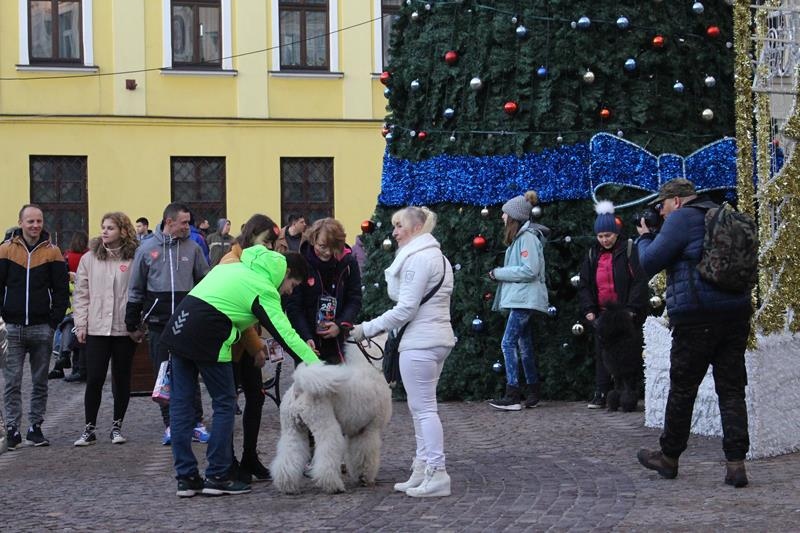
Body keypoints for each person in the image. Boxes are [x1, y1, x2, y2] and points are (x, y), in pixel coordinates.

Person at [159, 246, 322, 498]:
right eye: (293, 284)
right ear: (286, 272)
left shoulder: (236, 266)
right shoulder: (263, 288)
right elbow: (286, 335)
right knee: (225, 403)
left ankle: (186, 478)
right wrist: (317, 366)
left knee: (181, 405)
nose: (290, 291)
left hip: (178, 326)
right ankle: (218, 475)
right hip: (209, 332)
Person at [635, 178, 753, 488]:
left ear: (676, 200)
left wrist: (645, 238)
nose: (661, 212)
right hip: (736, 314)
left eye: (663, 205)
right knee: (731, 390)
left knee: (683, 388)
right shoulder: (723, 214)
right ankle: (736, 465)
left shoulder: (681, 219)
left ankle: (669, 458)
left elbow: (648, 262)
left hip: (696, 318)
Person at [351, 206, 455, 498]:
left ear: (417, 228)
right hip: (436, 339)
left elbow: (406, 309)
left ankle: (437, 472)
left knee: (424, 410)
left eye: (399, 226)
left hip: (421, 342)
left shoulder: (418, 259)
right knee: (420, 408)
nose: (394, 232)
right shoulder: (438, 257)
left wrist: (366, 328)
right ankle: (422, 469)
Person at [125, 202, 210, 445]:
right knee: (163, 374)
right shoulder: (146, 249)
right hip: (158, 323)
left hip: (187, 323)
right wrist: (132, 322)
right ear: (169, 222)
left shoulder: (193, 247)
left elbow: (205, 282)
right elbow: (135, 288)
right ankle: (171, 424)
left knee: (190, 373)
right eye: (184, 222)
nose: (188, 227)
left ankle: (195, 423)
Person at [0, 204, 70, 449]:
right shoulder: (6, 250)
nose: (35, 225)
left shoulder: (53, 252)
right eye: (30, 221)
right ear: (21, 222)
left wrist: (53, 321)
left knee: (40, 381)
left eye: (39, 221)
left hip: (42, 327)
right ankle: (12, 428)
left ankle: (35, 427)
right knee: (12, 382)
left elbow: (61, 290)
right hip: (12, 327)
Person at [220, 214, 282, 483]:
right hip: (230, 345)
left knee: (256, 398)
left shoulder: (254, 262)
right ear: (252, 236)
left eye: (271, 244)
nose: (268, 248)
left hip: (247, 344)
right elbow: (238, 312)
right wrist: (257, 347)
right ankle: (228, 461)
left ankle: (249, 456)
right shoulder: (231, 262)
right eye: (265, 242)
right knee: (227, 403)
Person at [72, 213, 139, 446]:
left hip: (124, 329)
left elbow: (140, 292)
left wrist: (138, 324)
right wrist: (80, 324)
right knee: (95, 378)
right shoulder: (89, 258)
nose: (105, 231)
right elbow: (81, 294)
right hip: (97, 328)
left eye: (110, 227)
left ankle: (117, 426)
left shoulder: (134, 258)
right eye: (103, 227)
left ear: (123, 231)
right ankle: (89, 428)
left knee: (121, 378)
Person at [578, 201, 648, 410]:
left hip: (625, 314)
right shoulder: (593, 255)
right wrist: (589, 309)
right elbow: (585, 284)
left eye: (608, 235)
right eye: (600, 236)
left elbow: (638, 281)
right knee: (603, 354)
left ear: (616, 233)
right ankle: (602, 392)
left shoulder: (629, 250)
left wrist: (632, 308)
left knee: (627, 355)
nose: (604, 240)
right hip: (603, 314)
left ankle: (628, 392)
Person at [487, 191, 550, 411]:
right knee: (524, 345)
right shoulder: (521, 239)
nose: (502, 217)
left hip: (525, 299)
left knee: (508, 343)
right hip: (523, 299)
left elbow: (530, 270)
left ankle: (512, 394)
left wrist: (498, 273)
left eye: (505, 214)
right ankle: (533, 391)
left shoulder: (527, 239)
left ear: (514, 217)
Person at [286, 217, 362, 365]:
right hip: (309, 341)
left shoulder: (348, 263)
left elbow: (355, 299)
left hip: (338, 342)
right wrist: (305, 336)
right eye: (322, 246)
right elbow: (294, 306)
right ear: (313, 240)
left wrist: (339, 325)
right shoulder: (301, 263)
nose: (327, 252)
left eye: (333, 247)